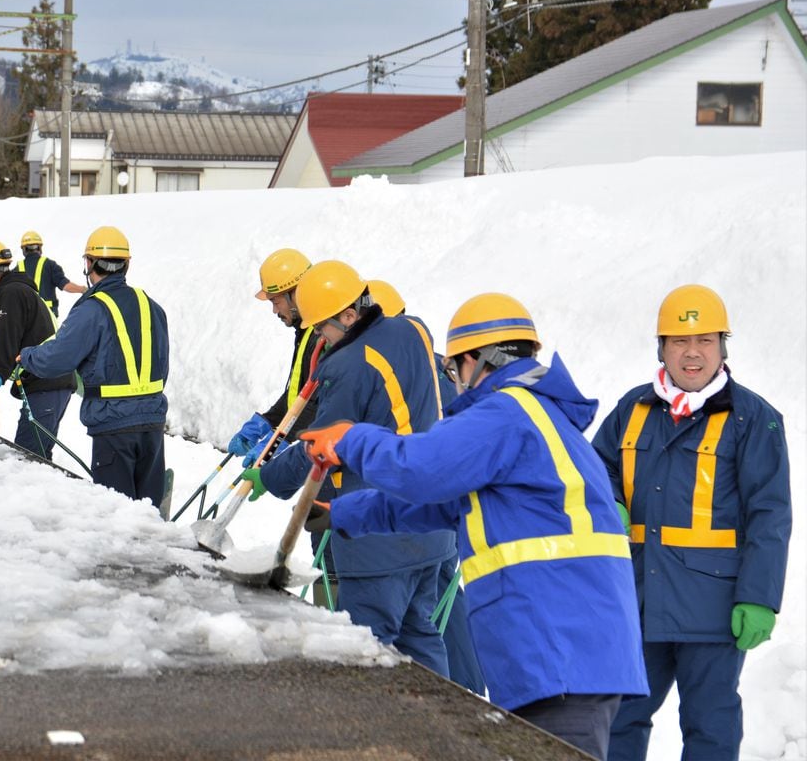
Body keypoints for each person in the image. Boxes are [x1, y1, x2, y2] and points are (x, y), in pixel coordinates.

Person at [297, 292, 648, 761]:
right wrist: (341, 514)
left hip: (557, 649)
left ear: (477, 361)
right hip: (569, 649)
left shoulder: (507, 413)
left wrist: (351, 437)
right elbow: (438, 505)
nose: (455, 382)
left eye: (454, 369)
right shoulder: (539, 419)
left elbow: (421, 466)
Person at [592, 284, 791, 761]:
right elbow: (596, 469)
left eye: (705, 341)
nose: (692, 353)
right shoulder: (632, 410)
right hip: (639, 603)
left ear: (723, 346)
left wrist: (759, 598)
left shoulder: (753, 420)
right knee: (619, 720)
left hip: (715, 613)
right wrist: (609, 502)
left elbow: (770, 515)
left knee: (711, 729)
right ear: (661, 348)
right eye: (679, 341)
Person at [241, 260, 455, 680]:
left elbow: (320, 445)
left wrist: (269, 478)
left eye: (322, 329)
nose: (319, 338)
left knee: (366, 652)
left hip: (378, 533)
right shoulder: (415, 331)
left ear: (349, 315)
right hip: (431, 522)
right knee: (420, 639)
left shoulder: (350, 365)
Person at [366, 278, 486, 698]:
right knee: (441, 600)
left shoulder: (402, 371)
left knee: (429, 605)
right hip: (439, 509)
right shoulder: (434, 364)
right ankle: (466, 690)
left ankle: (457, 695)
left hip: (421, 511)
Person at [18, 226, 169, 507]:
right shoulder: (152, 305)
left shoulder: (91, 309)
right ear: (127, 264)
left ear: (88, 264)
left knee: (115, 514)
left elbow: (58, 359)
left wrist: (28, 357)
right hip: (152, 423)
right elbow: (163, 364)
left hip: (113, 426)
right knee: (149, 519)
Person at [0, 239, 76, 459]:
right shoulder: (7, 291)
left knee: (27, 457)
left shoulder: (11, 293)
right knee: (36, 456)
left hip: (48, 383)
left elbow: (6, 346)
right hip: (48, 383)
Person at [228, 248, 322, 466]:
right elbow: (299, 396)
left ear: (295, 295)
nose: (274, 311)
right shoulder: (307, 332)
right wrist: (266, 421)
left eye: (276, 302)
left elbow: (319, 404)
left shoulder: (321, 336)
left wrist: (281, 440)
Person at [16, 230, 87, 318]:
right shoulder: (49, 265)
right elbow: (66, 286)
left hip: (25, 319)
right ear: (39, 248)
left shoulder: (17, 269)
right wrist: (83, 289)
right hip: (47, 318)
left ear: (23, 249)